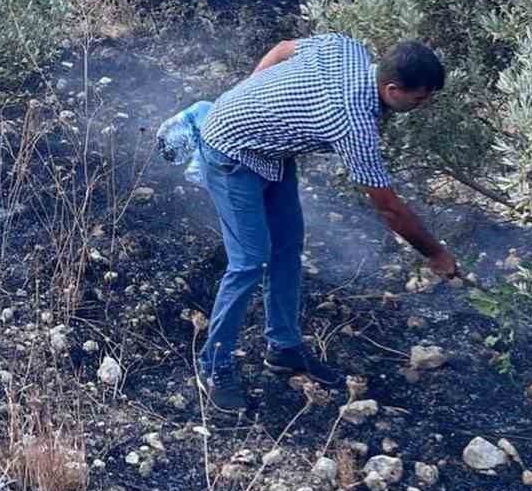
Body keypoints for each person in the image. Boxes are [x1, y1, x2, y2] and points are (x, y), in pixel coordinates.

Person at [195, 32, 456, 414]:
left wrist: (257, 98)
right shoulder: (353, 122)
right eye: (419, 99)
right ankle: (213, 366)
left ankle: (283, 348)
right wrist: (435, 253)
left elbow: (285, 46)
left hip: (272, 151)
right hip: (231, 150)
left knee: (286, 249)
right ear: (393, 88)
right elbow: (389, 208)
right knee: (250, 261)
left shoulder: (346, 47)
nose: (424, 105)